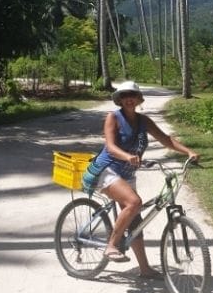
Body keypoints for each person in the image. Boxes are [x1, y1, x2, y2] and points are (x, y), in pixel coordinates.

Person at [84, 81, 199, 279]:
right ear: (120, 99)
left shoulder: (143, 121)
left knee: (135, 223)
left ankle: (145, 269)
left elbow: (165, 139)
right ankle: (111, 245)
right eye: (125, 95)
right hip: (107, 170)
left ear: (138, 99)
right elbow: (110, 147)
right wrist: (127, 156)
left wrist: (188, 151)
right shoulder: (113, 117)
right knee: (134, 202)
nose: (129, 99)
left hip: (126, 174)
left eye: (133, 95)